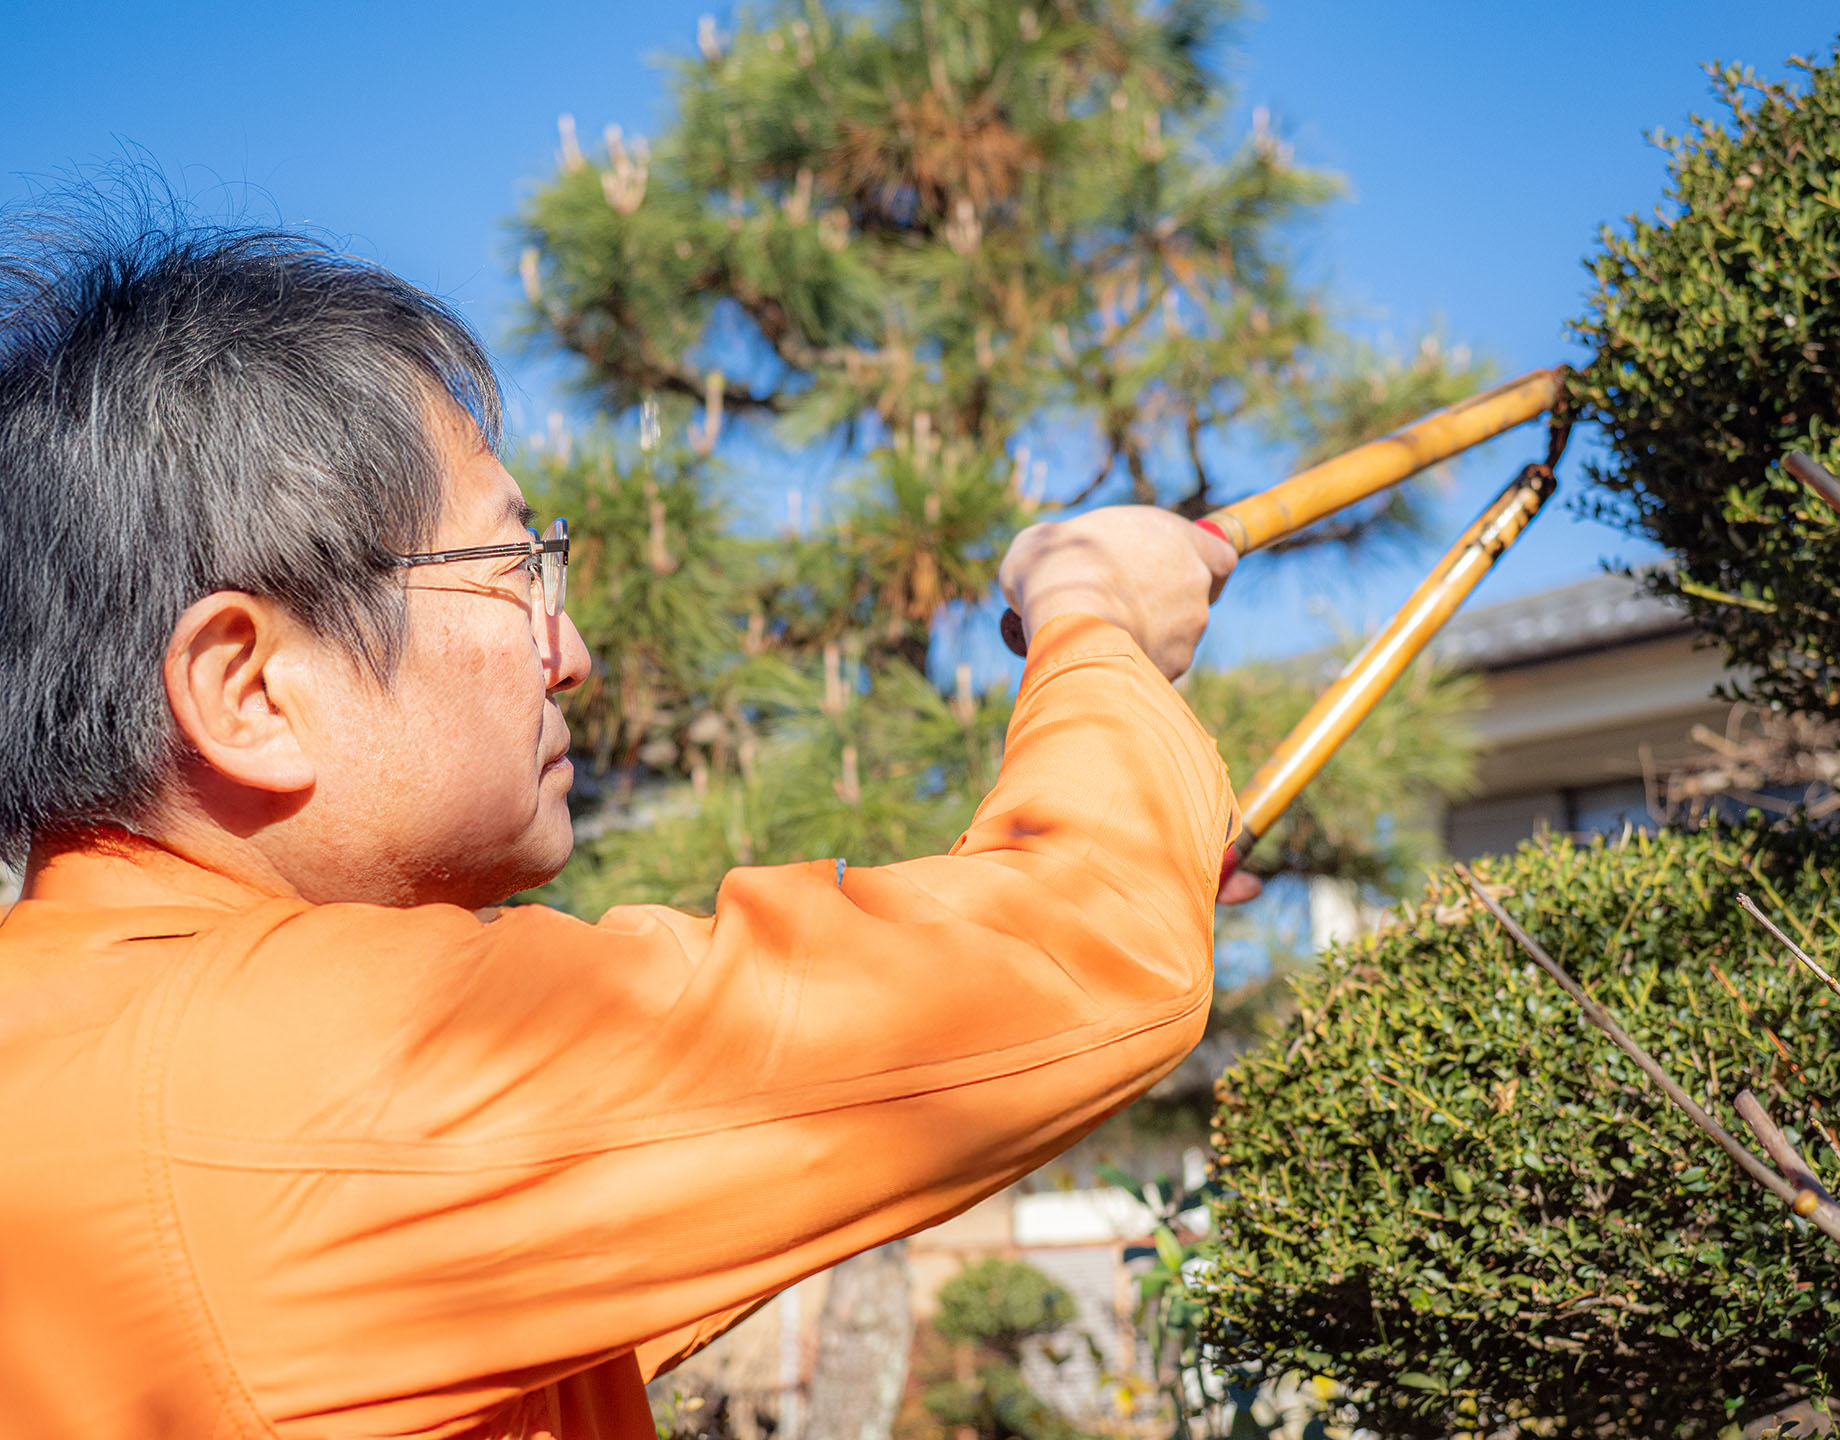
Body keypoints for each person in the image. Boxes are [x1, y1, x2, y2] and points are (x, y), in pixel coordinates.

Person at [0, 209, 1248, 1439]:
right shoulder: (291, 1072)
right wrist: (1092, 610)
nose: (575, 653)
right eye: (514, 570)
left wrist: (1143, 816)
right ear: (251, 689)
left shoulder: (91, 1059)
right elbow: (1081, 960)